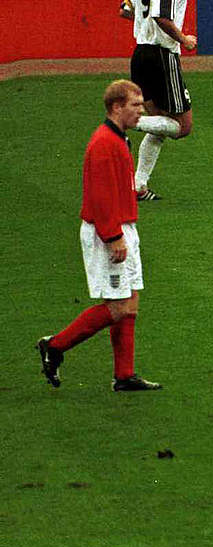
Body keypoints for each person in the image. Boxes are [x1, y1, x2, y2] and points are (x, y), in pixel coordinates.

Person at [36, 80, 163, 392]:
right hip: (109, 232)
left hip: (123, 228)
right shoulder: (104, 143)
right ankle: (55, 346)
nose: (141, 110)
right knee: (118, 306)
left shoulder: (117, 138)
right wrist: (112, 237)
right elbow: (100, 195)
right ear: (116, 107)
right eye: (135, 105)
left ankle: (124, 375)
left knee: (130, 301)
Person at [116, 0, 195, 202]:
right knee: (182, 126)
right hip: (162, 56)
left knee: (161, 124)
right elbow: (162, 16)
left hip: (141, 54)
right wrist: (183, 38)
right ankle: (128, 121)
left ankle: (138, 185)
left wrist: (143, 22)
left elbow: (124, 9)